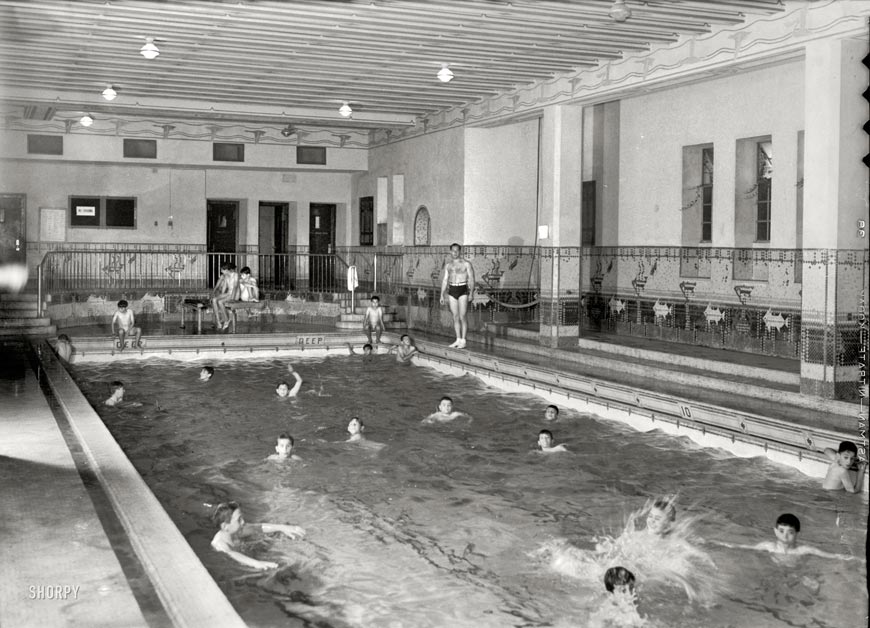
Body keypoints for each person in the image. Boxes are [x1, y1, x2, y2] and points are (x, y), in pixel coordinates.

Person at [210, 501, 305, 570]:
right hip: (230, 566)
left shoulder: (235, 531)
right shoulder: (219, 543)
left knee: (275, 536)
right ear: (225, 526)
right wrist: (257, 563)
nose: (243, 522)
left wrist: (283, 527)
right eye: (239, 520)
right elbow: (232, 554)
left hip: (245, 552)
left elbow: (259, 527)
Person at [713, 513, 855, 559]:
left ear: (797, 533)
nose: (785, 536)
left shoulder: (803, 550)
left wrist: (856, 560)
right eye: (781, 531)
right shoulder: (769, 546)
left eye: (790, 532)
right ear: (775, 531)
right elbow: (742, 547)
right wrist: (716, 543)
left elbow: (831, 556)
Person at [439, 243, 475, 349]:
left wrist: (471, 293)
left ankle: (463, 340)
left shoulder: (466, 264)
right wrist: (442, 295)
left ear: (460, 251)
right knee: (455, 316)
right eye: (453, 251)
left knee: (462, 316)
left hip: (462, 289)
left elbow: (472, 279)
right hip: (452, 289)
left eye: (457, 251)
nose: (455, 253)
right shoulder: (448, 265)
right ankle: (458, 339)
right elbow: (445, 280)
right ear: (450, 251)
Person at [211, 262, 239, 331]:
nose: (221, 271)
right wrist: (220, 295)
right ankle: (218, 321)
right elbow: (224, 287)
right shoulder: (226, 276)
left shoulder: (235, 275)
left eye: (222, 270)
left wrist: (232, 298)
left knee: (220, 302)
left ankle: (226, 320)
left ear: (226, 270)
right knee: (214, 300)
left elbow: (235, 287)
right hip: (229, 293)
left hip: (235, 294)